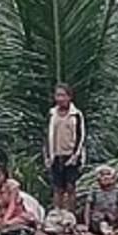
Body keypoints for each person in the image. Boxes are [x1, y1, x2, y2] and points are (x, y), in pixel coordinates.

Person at [44, 83, 86, 216]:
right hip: (55, 155)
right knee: (57, 188)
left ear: (69, 97)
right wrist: (46, 156)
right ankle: (57, 215)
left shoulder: (76, 115)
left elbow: (81, 136)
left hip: (71, 155)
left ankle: (70, 216)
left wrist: (76, 155)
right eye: (58, 95)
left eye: (63, 95)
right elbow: (46, 136)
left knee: (70, 187)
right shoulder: (51, 114)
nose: (60, 98)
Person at [0, 161, 35, 235]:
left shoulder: (12, 186)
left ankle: (19, 230)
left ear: (4, 176)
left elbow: (12, 204)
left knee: (22, 220)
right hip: (1, 213)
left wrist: (5, 220)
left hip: (16, 213)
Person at [84, 165, 118, 235]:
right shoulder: (94, 188)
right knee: (103, 224)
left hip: (113, 219)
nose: (105, 177)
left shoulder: (117, 189)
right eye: (103, 175)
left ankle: (111, 232)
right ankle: (108, 233)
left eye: (108, 174)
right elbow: (88, 206)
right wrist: (87, 225)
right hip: (97, 220)